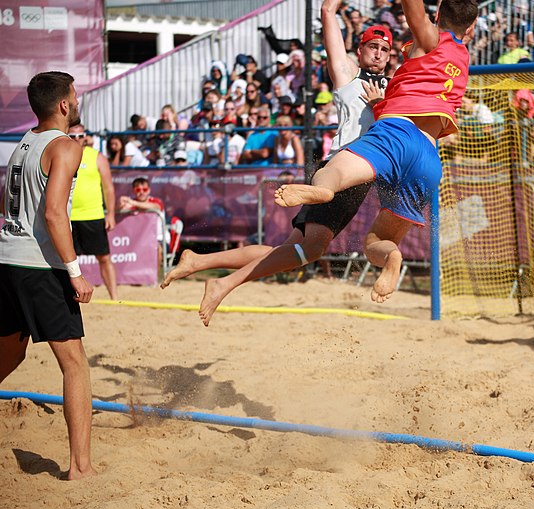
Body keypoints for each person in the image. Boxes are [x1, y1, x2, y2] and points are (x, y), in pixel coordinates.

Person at [161, 0, 393, 327]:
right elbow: (327, 11)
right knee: (309, 251)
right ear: (360, 48)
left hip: (360, 178)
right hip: (342, 169)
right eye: (373, 46)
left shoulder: (392, 86)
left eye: (385, 48)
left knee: (289, 249)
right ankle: (222, 284)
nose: (380, 53)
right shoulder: (348, 74)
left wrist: (382, 104)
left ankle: (199, 260)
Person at [274, 0, 478, 304]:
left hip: (396, 133)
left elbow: (414, 9)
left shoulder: (431, 39)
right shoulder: (463, 57)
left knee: (331, 172)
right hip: (429, 159)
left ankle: (322, 191)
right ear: (472, 29)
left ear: (437, 17)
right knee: (378, 243)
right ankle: (393, 258)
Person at [0, 71, 97, 479]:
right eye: (75, 96)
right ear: (63, 105)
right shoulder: (65, 147)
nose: (77, 102)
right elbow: (55, 213)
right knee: (74, 363)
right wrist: (74, 272)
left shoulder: (22, 143)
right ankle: (80, 468)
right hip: (41, 266)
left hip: (7, 259)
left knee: (11, 351)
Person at [68, 123, 119, 300]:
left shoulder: (96, 157)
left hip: (93, 215)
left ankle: (114, 297)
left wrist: (110, 214)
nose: (77, 139)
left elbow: (108, 188)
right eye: (72, 136)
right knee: (66, 261)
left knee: (104, 258)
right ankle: (67, 297)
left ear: (86, 138)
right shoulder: (62, 155)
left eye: (80, 136)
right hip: (67, 216)